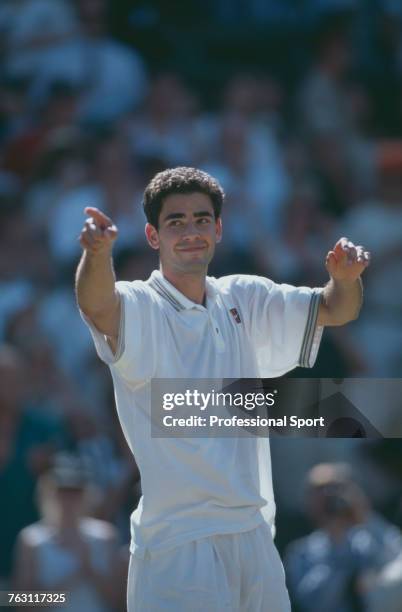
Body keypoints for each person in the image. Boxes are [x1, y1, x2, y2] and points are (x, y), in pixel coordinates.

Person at [75, 166, 370, 611]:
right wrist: (97, 254)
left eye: (200, 219)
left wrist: (346, 279)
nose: (190, 231)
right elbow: (97, 304)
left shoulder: (245, 295)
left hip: (254, 535)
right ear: (153, 237)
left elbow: (336, 308)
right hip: (178, 545)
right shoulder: (137, 303)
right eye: (176, 221)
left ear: (218, 229)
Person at [284, 463, 402, 612]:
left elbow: (395, 555)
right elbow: (315, 602)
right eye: (319, 489)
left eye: (336, 487)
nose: (329, 495)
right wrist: (337, 540)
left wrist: (365, 515)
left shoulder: (366, 538)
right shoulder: (301, 552)